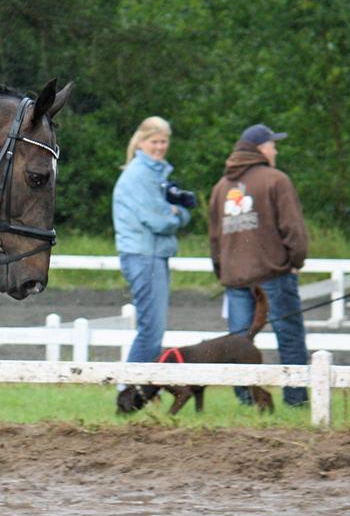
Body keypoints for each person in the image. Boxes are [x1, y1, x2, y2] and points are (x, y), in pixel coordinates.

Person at [208, 123, 310, 407]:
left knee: (239, 342)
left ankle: (246, 401)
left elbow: (214, 238)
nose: (275, 150)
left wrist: (223, 272)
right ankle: (296, 399)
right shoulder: (277, 180)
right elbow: (293, 228)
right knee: (289, 336)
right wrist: (296, 261)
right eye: (272, 145)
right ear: (260, 149)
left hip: (236, 279)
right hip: (273, 274)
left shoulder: (220, 188)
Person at [112, 117, 193, 381]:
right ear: (141, 142)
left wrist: (174, 211)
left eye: (164, 141)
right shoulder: (141, 175)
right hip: (144, 256)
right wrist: (179, 213)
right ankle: (129, 390)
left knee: (153, 328)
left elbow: (166, 214)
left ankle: (140, 389)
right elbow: (160, 220)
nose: (160, 146)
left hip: (152, 255)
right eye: (154, 141)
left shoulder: (153, 173)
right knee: (151, 329)